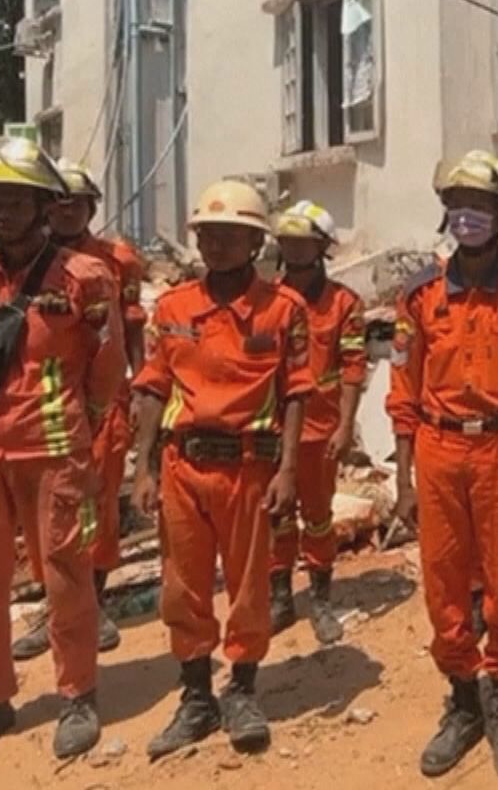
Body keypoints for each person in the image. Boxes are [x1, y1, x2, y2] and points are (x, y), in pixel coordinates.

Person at [0, 138, 126, 774]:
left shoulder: (86, 279)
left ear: (45, 205)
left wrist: (91, 441)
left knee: (67, 576)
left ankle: (77, 696)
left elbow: (107, 368)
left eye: (16, 199)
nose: (3, 211)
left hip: (55, 450)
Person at [387, 150, 498, 781]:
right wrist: (402, 480)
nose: (468, 217)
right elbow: (402, 392)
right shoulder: (417, 294)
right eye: (458, 205)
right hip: (438, 453)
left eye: (482, 206)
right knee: (444, 582)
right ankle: (463, 703)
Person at [128, 180, 315, 758]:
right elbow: (155, 387)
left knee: (248, 587)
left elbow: (296, 393)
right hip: (184, 467)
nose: (215, 244)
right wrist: (144, 467)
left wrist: (288, 471)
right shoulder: (175, 307)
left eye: (229, 233)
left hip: (249, 470)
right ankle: (195, 697)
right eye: (207, 233)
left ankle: (242, 690)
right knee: (182, 588)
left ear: (256, 241)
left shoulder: (284, 310)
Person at [12, 159, 148, 660]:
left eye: (77, 203)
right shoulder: (26, 261)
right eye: (59, 202)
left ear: (92, 206)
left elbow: (132, 329)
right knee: (42, 513)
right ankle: (55, 606)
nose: (67, 212)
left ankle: (94, 602)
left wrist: (140, 388)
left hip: (106, 402)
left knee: (100, 501)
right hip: (43, 408)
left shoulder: (119, 261)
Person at [268, 200, 369, 644]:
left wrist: (345, 426)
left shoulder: (343, 304)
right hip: (270, 430)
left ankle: (321, 599)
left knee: (318, 517)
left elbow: (352, 367)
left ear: (322, 247)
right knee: (276, 516)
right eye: (287, 241)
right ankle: (279, 598)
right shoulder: (267, 298)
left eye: (302, 242)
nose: (293, 250)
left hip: (319, 429)